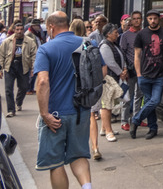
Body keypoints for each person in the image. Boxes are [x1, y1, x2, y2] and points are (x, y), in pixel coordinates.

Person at [34, 11, 99, 189]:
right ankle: (87, 187)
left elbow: (43, 81)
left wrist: (44, 113)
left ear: (51, 27)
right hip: (81, 111)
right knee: (79, 155)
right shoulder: (87, 43)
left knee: (55, 162)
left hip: (55, 115)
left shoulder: (46, 49)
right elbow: (101, 73)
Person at [130, 10, 163, 140]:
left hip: (159, 76)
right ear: (147, 19)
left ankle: (136, 120)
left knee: (154, 101)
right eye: (150, 18)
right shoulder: (142, 34)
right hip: (144, 74)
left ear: (159, 19)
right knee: (150, 102)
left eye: (155, 18)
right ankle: (153, 128)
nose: (153, 21)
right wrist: (138, 74)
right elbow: (137, 55)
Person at [70, 19, 102, 161]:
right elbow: (101, 66)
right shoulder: (91, 43)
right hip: (89, 87)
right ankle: (95, 147)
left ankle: (76, 149)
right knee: (90, 116)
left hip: (71, 87)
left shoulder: (66, 44)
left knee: (72, 117)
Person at [0, 21, 37, 117]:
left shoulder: (30, 41)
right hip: (10, 66)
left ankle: (18, 102)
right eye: (17, 29)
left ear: (24, 30)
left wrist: (33, 68)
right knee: (8, 89)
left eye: (21, 29)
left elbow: (34, 55)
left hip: (23, 66)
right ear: (14, 30)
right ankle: (11, 110)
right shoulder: (7, 41)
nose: (19, 31)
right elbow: (1, 55)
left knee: (24, 87)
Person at [99, 23, 127, 143]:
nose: (117, 34)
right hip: (108, 79)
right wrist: (121, 72)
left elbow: (120, 58)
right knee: (107, 106)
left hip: (113, 78)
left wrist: (123, 70)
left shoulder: (112, 44)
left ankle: (104, 128)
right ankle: (108, 131)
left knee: (109, 104)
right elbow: (109, 62)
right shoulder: (105, 46)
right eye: (115, 32)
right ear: (108, 34)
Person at [119, 11, 143, 132]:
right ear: (131, 21)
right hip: (130, 69)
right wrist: (124, 69)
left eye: (139, 18)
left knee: (139, 95)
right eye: (134, 19)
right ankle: (124, 120)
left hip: (143, 69)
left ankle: (137, 118)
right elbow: (122, 53)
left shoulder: (144, 33)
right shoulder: (125, 35)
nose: (136, 21)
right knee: (128, 96)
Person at [26, 18, 47, 95]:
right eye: (38, 25)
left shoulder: (36, 33)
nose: (39, 27)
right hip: (31, 55)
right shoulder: (29, 33)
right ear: (34, 26)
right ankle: (28, 89)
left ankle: (31, 88)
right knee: (31, 73)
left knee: (34, 72)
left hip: (37, 54)